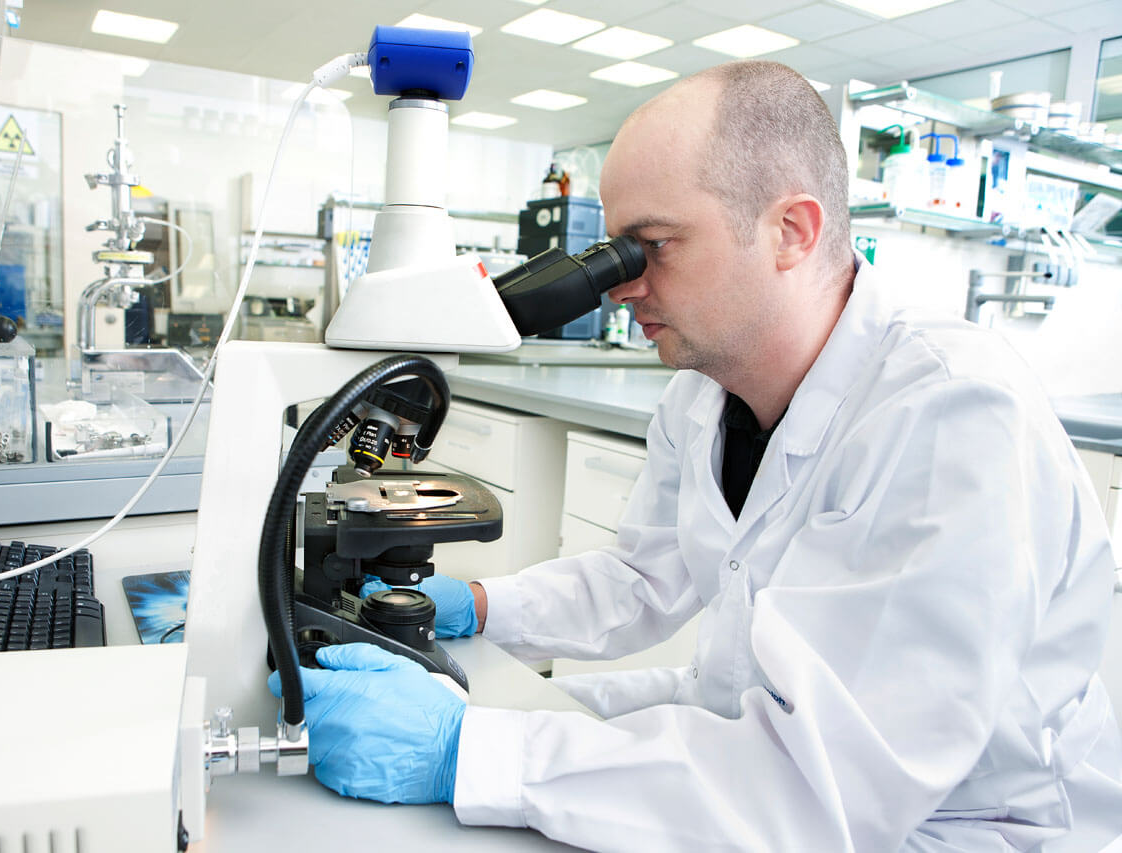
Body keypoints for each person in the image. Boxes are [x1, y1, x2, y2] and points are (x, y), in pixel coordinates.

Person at [271, 60, 1122, 851]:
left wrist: (473, 750)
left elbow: (821, 785)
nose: (622, 283)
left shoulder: (952, 414)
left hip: (961, 826)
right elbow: (646, 578)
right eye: (614, 252)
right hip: (767, 763)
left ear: (791, 230)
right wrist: (476, 608)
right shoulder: (702, 393)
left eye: (654, 245)